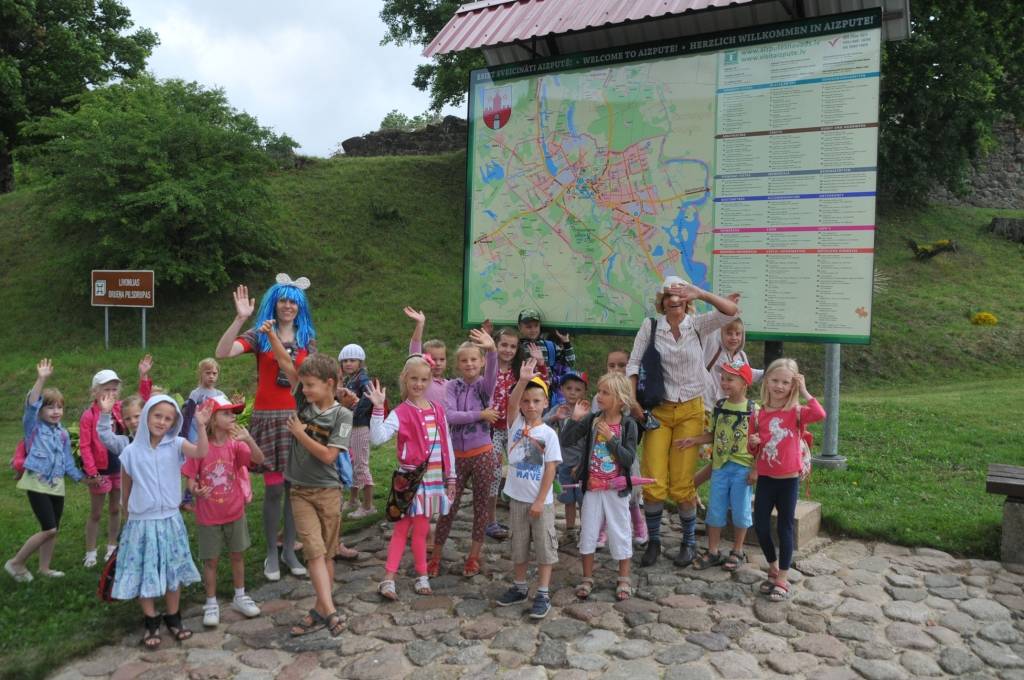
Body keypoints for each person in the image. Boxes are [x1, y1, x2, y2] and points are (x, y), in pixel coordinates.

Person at [626, 275, 739, 567]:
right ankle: (654, 541)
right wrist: (634, 400)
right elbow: (634, 363)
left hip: (690, 408)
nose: (674, 304)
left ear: (686, 302)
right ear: (662, 302)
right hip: (659, 411)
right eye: (669, 298)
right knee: (654, 481)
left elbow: (731, 311)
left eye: (679, 299)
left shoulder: (698, 325)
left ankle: (688, 542)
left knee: (682, 483)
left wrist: (700, 292)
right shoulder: (650, 327)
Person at [215, 276, 316, 581]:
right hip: (267, 417)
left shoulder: (307, 338)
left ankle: (289, 551)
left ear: (300, 307)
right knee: (273, 488)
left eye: (293, 301)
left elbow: (299, 376)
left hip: (296, 417)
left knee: (293, 487)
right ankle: (272, 552)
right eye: (283, 300)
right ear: (275, 302)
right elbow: (222, 352)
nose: (288, 306)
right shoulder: (260, 335)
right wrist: (240, 318)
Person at [261, 320, 349, 637]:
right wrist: (271, 334)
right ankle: (332, 612)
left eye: (311, 385)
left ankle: (319, 608)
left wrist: (300, 433)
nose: (304, 389)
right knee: (313, 551)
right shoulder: (303, 400)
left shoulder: (343, 415)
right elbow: (286, 364)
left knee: (325, 554)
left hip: (328, 492)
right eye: (304, 385)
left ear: (330, 384)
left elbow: (328, 456)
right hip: (300, 492)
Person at [112, 395, 212, 649]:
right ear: (146, 415)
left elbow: (201, 452)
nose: (162, 422)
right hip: (141, 523)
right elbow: (125, 491)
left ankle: (173, 616)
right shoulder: (130, 453)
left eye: (168, 418)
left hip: (169, 520)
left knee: (172, 571)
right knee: (145, 571)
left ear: (173, 422)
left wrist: (200, 426)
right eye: (157, 415)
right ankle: (151, 619)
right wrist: (127, 522)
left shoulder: (176, 445)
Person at [368, 355, 457, 600]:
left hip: (433, 481)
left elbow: (447, 444)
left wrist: (451, 477)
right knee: (401, 529)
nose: (419, 384)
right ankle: (388, 579)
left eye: (424, 379)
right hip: (409, 481)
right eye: (414, 379)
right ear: (405, 379)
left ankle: (422, 575)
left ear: (430, 381)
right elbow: (378, 438)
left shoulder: (438, 410)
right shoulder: (401, 412)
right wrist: (378, 407)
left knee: (420, 530)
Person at [182, 396, 265, 627]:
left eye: (233, 413)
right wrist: (195, 490)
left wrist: (249, 439)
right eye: (226, 413)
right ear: (212, 418)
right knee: (211, 561)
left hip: (234, 512)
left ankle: (240, 596)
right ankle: (211, 602)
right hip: (208, 516)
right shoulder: (201, 446)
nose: (232, 417)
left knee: (237, 555)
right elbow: (189, 478)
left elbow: (259, 459)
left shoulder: (236, 444)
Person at [750, 358, 825, 602]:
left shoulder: (796, 412)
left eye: (785, 382)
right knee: (760, 524)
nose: (779, 386)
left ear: (792, 385)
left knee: (784, 528)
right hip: (766, 478)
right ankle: (772, 565)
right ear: (767, 382)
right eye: (775, 380)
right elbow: (754, 445)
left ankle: (782, 577)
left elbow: (819, 413)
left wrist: (804, 391)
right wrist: (753, 445)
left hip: (788, 480)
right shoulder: (759, 413)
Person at [6, 359, 87, 582]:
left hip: (57, 485)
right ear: (40, 410)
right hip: (36, 483)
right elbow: (31, 404)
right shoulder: (32, 427)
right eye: (49, 407)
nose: (55, 411)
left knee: (53, 529)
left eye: (59, 407)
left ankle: (44, 567)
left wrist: (83, 479)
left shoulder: (62, 434)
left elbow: (69, 462)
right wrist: (41, 379)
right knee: (49, 529)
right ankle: (16, 562)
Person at [560, 373, 639, 601]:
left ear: (621, 399)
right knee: (589, 531)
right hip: (593, 488)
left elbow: (628, 459)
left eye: (605, 392)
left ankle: (624, 578)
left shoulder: (628, 425)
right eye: (599, 391)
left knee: (620, 531)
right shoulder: (593, 419)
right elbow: (566, 441)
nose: (599, 396)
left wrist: (611, 440)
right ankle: (587, 577)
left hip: (616, 489)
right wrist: (574, 419)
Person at [675, 359, 757, 571]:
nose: (724, 382)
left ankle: (738, 550)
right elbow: (713, 434)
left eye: (730, 379)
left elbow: (761, 442)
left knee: (740, 511)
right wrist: (694, 440)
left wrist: (755, 468)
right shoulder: (720, 407)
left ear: (744, 384)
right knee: (715, 510)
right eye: (723, 378)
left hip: (742, 468)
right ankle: (713, 551)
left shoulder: (754, 410)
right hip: (720, 467)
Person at [496, 358, 562, 619]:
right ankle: (520, 586)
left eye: (536, 401)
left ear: (546, 403)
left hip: (540, 503)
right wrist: (522, 381)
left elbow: (550, 469)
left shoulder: (548, 434)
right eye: (526, 401)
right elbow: (510, 404)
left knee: (545, 547)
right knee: (519, 545)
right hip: (518, 500)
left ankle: (543, 593)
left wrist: (539, 500)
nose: (530, 406)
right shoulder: (515, 426)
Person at [430, 329, 499, 577]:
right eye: (463, 360)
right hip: (456, 457)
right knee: (448, 506)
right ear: (457, 364)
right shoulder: (452, 386)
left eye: (474, 359)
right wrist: (481, 414)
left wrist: (491, 351)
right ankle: (435, 556)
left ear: (480, 362)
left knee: (481, 507)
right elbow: (449, 416)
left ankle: (473, 557)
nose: (469, 364)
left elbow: (492, 373)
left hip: (482, 454)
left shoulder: (484, 387)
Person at [79, 356, 153, 568]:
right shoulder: (89, 415)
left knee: (115, 509)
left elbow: (142, 405)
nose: (110, 394)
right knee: (95, 512)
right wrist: (92, 472)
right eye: (106, 389)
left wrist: (143, 376)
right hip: (100, 470)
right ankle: (91, 550)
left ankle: (112, 545)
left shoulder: (121, 408)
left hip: (119, 468)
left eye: (114, 389)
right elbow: (85, 445)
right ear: (95, 392)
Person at [484, 326, 519, 540]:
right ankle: (490, 520)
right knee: (494, 474)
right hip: (493, 429)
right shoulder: (489, 367)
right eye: (504, 344)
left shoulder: (518, 369)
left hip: (514, 428)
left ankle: (522, 519)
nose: (508, 349)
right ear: (496, 345)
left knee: (521, 469)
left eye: (512, 346)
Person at [547, 371, 589, 543]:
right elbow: (541, 424)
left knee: (583, 501)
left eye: (578, 389)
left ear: (584, 392)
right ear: (562, 390)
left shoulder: (587, 413)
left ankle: (586, 531)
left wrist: (581, 464)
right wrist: (554, 417)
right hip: (563, 464)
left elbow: (589, 442)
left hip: (580, 466)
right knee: (567, 500)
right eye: (568, 388)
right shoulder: (558, 409)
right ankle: (570, 530)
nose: (573, 392)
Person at [338, 343, 375, 519]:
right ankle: (353, 500)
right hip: (352, 427)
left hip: (360, 427)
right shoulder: (350, 379)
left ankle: (368, 506)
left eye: (352, 360)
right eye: (345, 360)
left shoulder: (363, 380)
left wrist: (353, 413)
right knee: (352, 463)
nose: (348, 363)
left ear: (360, 361)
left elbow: (369, 398)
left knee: (361, 465)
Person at [513, 308, 575, 401]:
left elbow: (570, 363)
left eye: (536, 326)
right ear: (520, 327)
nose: (533, 329)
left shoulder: (549, 346)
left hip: (546, 393)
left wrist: (566, 342)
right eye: (529, 327)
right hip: (522, 393)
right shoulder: (516, 347)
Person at [703, 318, 763, 403]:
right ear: (720, 334)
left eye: (738, 334)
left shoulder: (741, 355)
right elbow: (709, 329)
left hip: (731, 407)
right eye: (729, 334)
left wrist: (767, 373)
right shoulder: (713, 350)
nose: (734, 337)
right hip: (709, 405)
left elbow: (745, 374)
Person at [404, 306, 449, 403]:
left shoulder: (451, 385)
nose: (438, 363)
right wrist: (420, 324)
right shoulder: (422, 382)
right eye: (433, 359)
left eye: (442, 359)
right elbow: (415, 348)